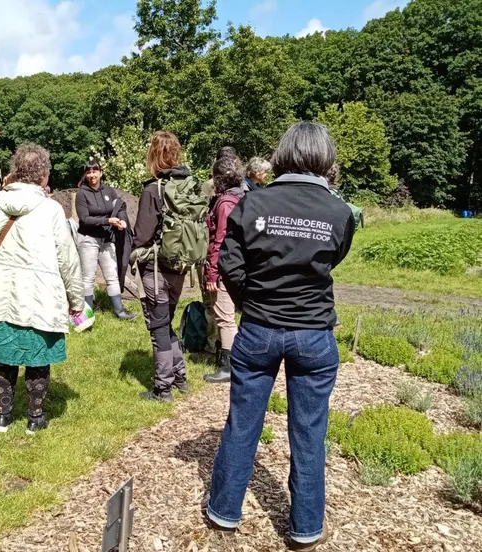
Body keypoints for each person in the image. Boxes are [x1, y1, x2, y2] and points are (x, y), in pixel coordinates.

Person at [205, 122, 355, 551]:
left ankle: (224, 512)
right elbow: (331, 259)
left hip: (258, 331)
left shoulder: (252, 204)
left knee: (242, 423)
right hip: (314, 334)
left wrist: (255, 302)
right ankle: (306, 527)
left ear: (283, 155)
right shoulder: (339, 212)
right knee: (309, 432)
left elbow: (229, 263)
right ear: (326, 158)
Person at [0, 144, 84, 434]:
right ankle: (35, 418)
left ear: (16, 170)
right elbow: (67, 259)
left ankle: (3, 416)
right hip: (40, 297)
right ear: (43, 174)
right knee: (37, 359)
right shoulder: (51, 210)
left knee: (5, 356)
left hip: (1, 294)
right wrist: (76, 300)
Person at [132, 131, 191, 402]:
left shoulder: (153, 189)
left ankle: (162, 388)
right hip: (180, 266)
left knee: (158, 329)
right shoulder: (189, 185)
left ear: (153, 155)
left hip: (155, 268)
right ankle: (180, 377)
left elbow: (142, 235)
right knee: (167, 323)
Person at [74, 158, 135, 320]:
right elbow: (85, 219)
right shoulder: (81, 194)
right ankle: (87, 315)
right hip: (88, 239)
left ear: (101, 173)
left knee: (112, 275)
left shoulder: (109, 191)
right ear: (86, 175)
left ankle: (120, 312)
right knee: (88, 278)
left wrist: (121, 220)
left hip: (108, 239)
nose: (92, 175)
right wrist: (108, 221)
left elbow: (119, 208)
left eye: (95, 171)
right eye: (89, 172)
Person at [203, 156, 245, 384]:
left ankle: (229, 366)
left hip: (224, 268)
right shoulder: (243, 196)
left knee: (225, 317)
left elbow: (219, 240)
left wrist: (212, 274)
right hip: (239, 265)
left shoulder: (225, 203)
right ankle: (227, 358)